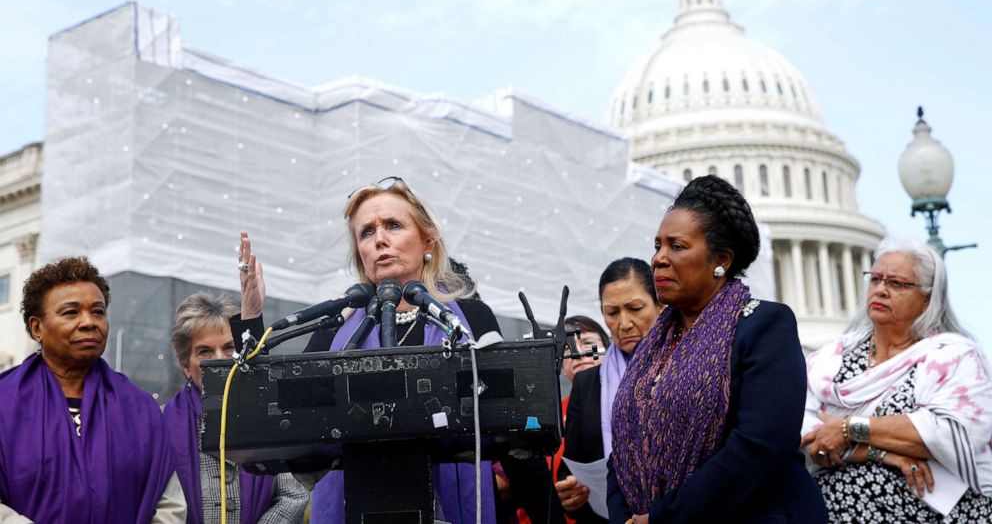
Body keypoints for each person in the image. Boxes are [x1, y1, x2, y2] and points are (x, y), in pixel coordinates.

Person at [241, 176, 557, 524]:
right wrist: (252, 317)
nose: (380, 240)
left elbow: (512, 429)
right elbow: (278, 409)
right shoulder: (337, 328)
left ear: (427, 240)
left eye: (393, 225)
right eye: (367, 232)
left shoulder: (470, 318)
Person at [607, 175, 826, 524]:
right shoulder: (653, 347)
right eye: (657, 246)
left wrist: (664, 517)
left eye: (676, 246)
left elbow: (760, 447)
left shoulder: (764, 326)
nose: (659, 259)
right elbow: (624, 448)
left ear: (721, 259)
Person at [801, 237, 992, 522]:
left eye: (897, 283)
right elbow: (807, 437)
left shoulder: (954, 357)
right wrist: (877, 452)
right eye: (875, 279)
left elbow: (954, 435)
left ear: (928, 297)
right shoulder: (828, 360)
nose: (880, 290)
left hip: (935, 511)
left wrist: (848, 427)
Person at [0, 257, 185, 523]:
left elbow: (169, 505)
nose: (89, 322)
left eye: (98, 311)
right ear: (37, 327)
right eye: (71, 312)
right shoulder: (5, 404)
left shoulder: (140, 409)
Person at [163, 291, 309, 523]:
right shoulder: (159, 424)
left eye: (229, 347)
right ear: (185, 366)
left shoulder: (268, 417)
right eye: (205, 351)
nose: (220, 358)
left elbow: (293, 496)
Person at [557, 259, 662, 523]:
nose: (624, 323)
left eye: (635, 308)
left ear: (661, 305)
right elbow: (570, 468)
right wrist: (571, 496)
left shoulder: (690, 368)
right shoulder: (588, 383)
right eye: (612, 312)